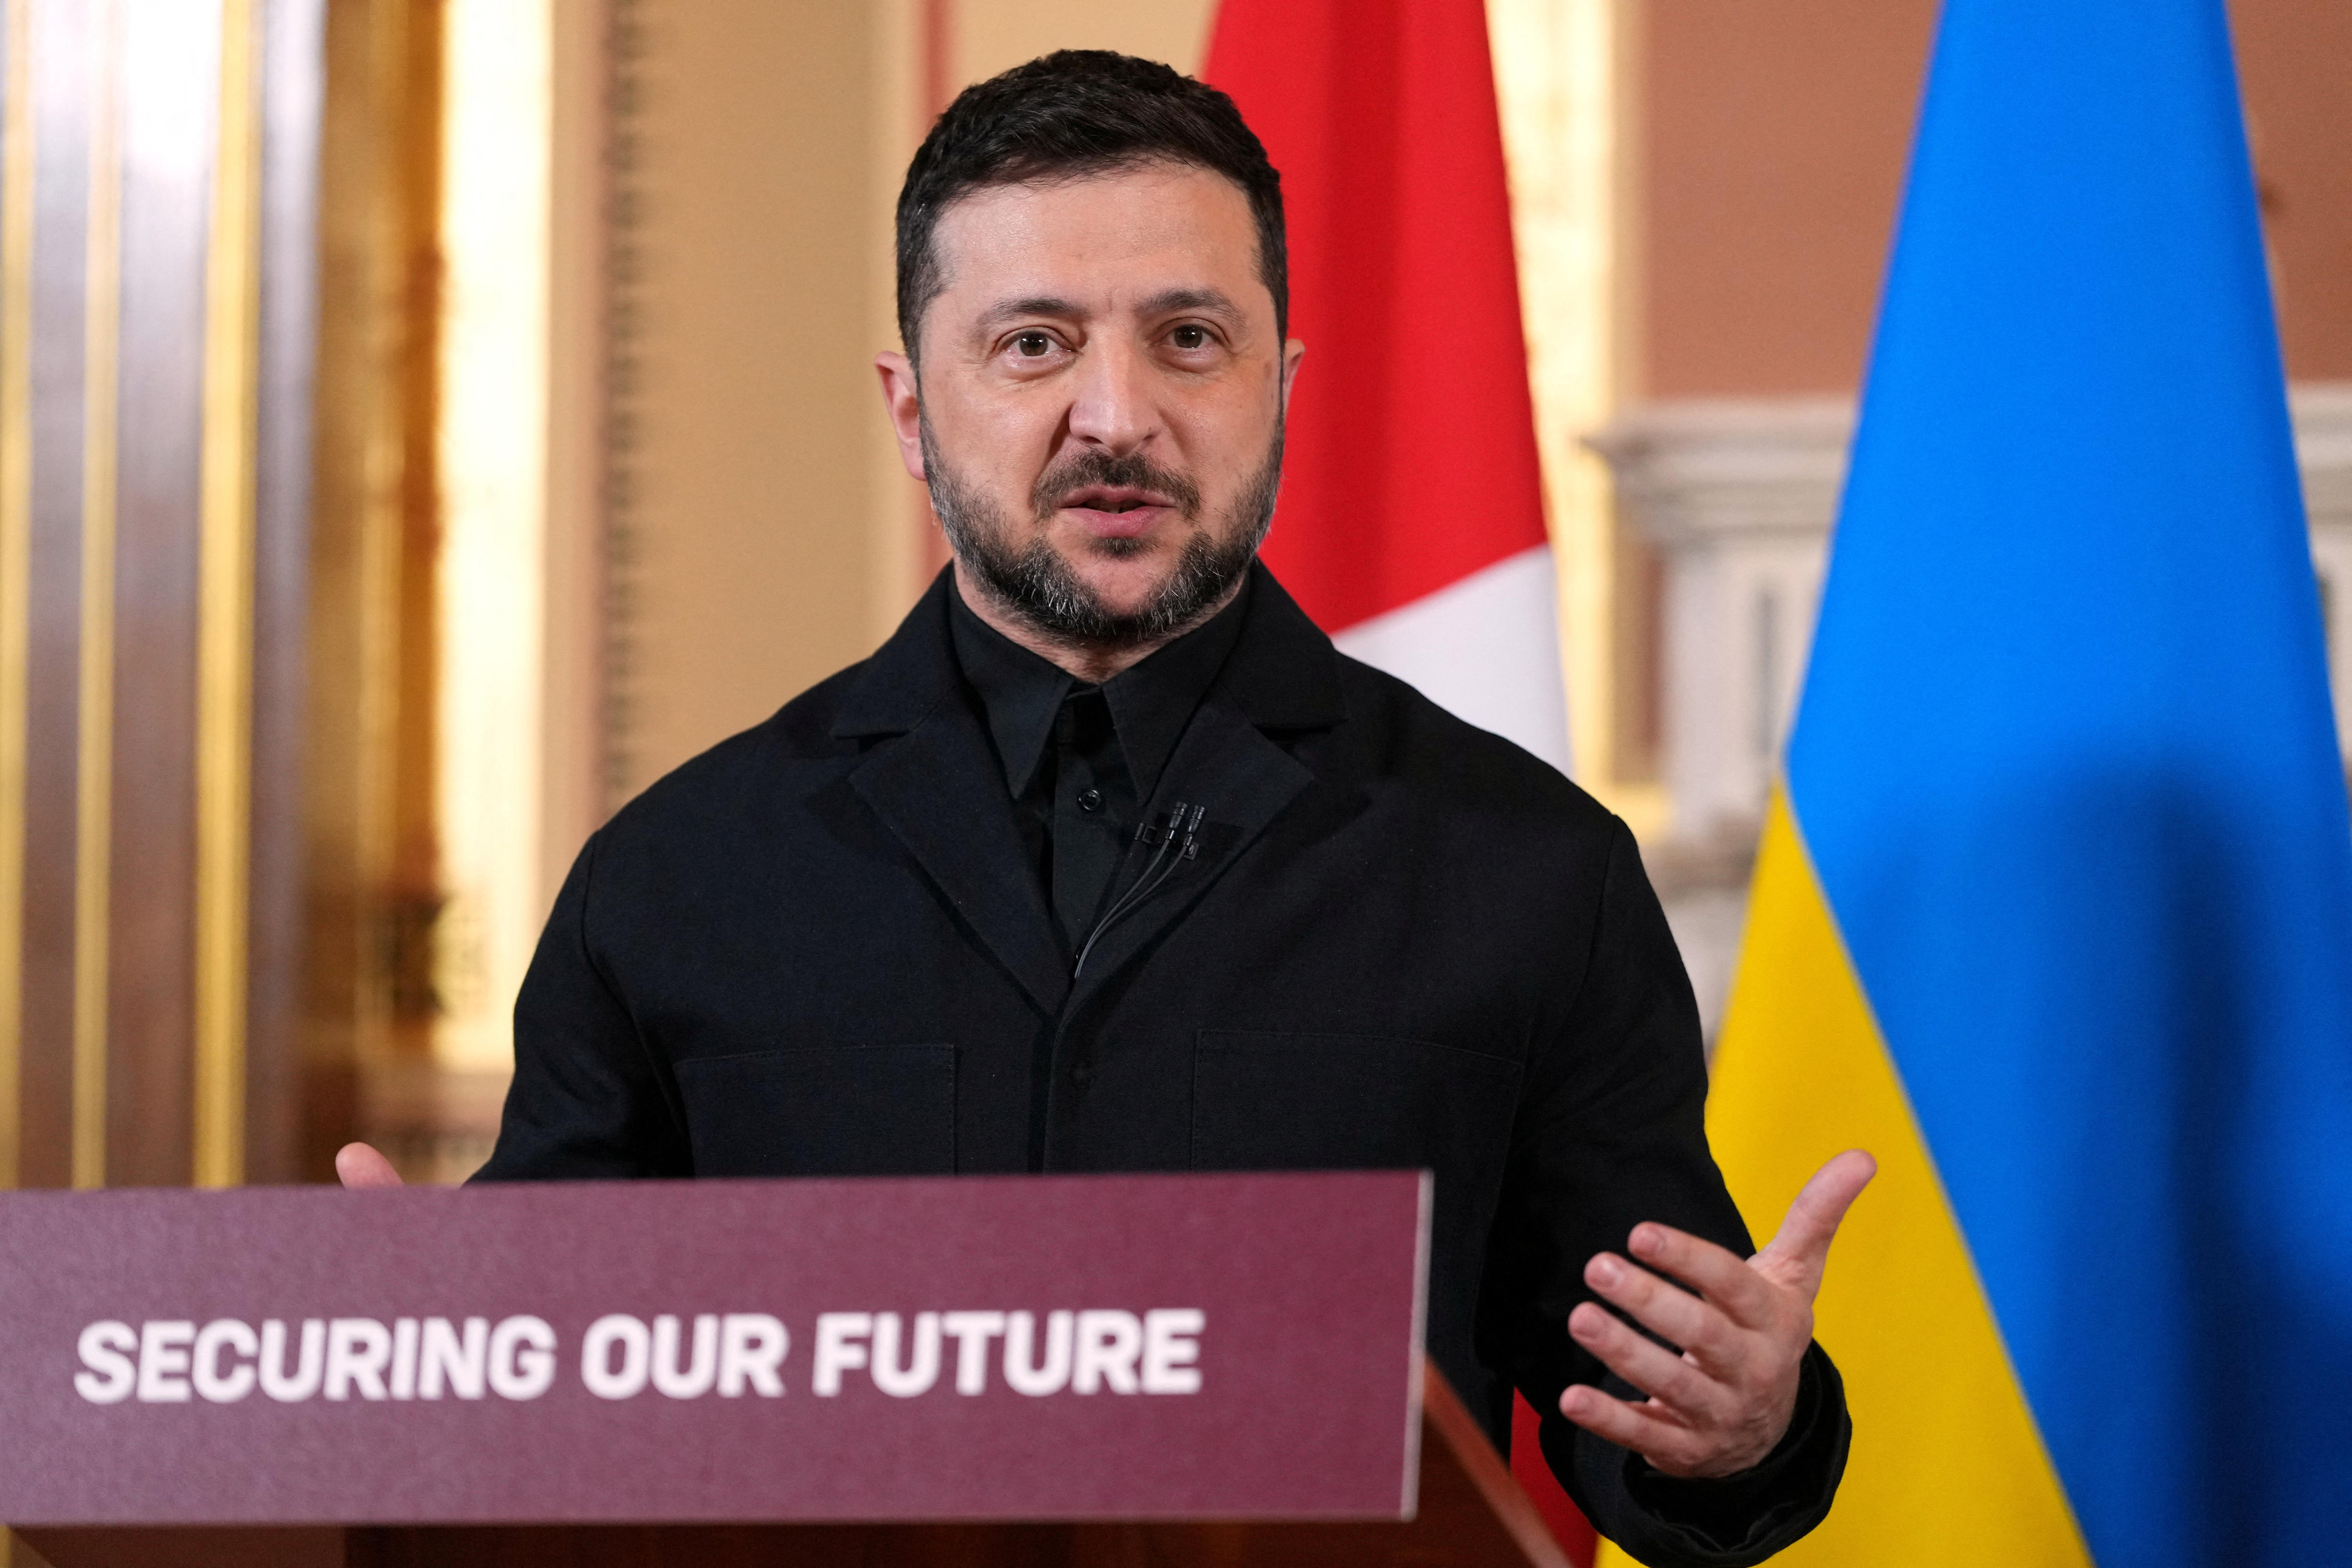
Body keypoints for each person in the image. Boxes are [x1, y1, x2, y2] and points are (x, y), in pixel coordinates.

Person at [340, 51, 1870, 1566]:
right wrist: (419, 1367)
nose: (1115, 414)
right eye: (1033, 344)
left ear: (1281, 387)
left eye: (1189, 338)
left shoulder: (1530, 869)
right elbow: (551, 1411)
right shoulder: (678, 877)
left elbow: (1654, 1410)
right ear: (908, 405)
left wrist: (1749, 1422)